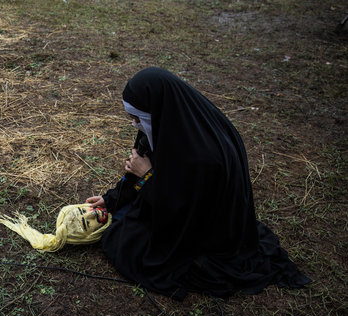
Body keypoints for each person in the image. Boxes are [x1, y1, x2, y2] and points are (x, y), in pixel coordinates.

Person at [86, 67, 311, 300]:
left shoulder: (204, 156)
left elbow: (186, 207)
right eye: (131, 118)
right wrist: (111, 199)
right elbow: (141, 164)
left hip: (207, 228)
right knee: (124, 219)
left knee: (125, 242)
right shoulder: (167, 119)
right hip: (176, 202)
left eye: (136, 118)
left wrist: (148, 175)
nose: (134, 125)